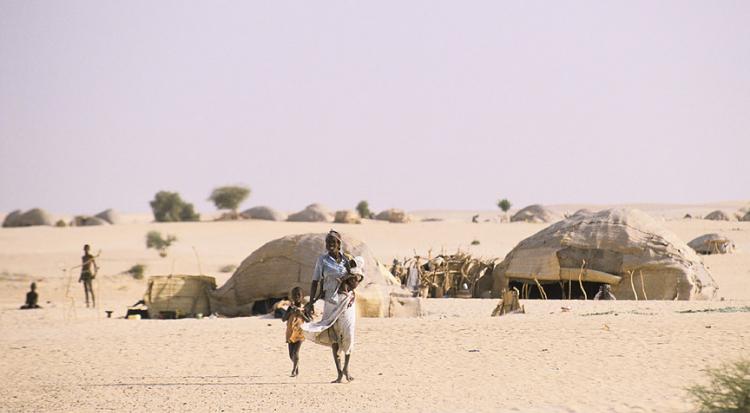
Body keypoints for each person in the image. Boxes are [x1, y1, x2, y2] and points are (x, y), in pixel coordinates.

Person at [302, 230, 363, 383]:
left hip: (346, 301)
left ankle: (347, 369)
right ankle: (339, 373)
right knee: (334, 336)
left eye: (333, 242)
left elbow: (358, 276)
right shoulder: (322, 260)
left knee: (348, 332)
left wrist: (350, 280)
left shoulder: (347, 260)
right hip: (330, 301)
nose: (330, 245)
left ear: (338, 244)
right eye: (328, 242)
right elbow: (315, 281)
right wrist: (311, 302)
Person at [282, 286, 311, 377]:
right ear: (291, 297)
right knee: (291, 354)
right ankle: (296, 367)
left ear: (302, 296)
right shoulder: (290, 308)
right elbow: (283, 319)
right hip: (290, 332)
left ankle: (294, 370)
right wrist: (290, 312)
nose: (297, 296)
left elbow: (309, 320)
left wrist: (301, 314)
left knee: (296, 352)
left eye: (298, 295)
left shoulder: (304, 308)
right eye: (294, 295)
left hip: (300, 332)